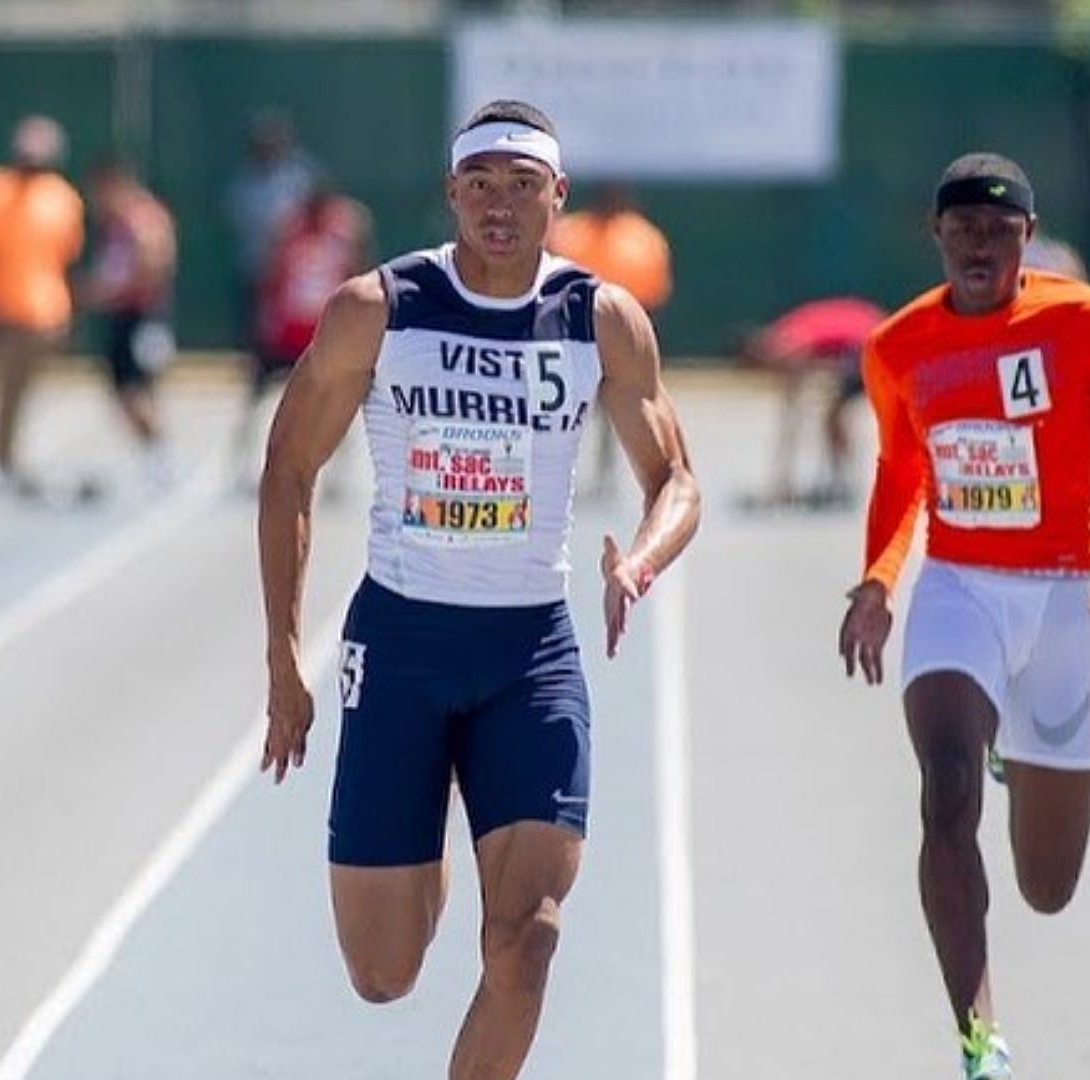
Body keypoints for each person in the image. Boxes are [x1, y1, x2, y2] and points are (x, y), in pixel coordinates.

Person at [257, 100, 699, 1080]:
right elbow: (289, 468)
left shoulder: (600, 318)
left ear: (559, 197)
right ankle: (433, 829)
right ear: (453, 192)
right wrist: (287, 654)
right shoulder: (379, 308)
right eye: (483, 186)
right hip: (401, 645)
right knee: (383, 974)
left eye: (523, 186)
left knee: (527, 941)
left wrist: (641, 560)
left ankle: (487, 843)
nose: (501, 206)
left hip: (528, 656)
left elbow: (676, 478)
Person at [836, 153, 1090, 1080]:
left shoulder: (1085, 320)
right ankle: (979, 1040)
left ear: (1027, 238)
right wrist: (878, 581)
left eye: (999, 231)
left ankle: (1013, 748)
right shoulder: (900, 346)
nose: (979, 246)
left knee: (1047, 888)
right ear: (937, 236)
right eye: (962, 231)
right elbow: (900, 472)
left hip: (1069, 600)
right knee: (945, 795)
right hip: (961, 590)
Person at [0, 115, 86, 499]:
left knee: (30, 392)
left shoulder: (63, 197)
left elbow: (69, 259)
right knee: (4, 393)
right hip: (5, 310)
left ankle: (14, 459)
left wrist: (72, 312)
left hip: (49, 311)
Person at [231, 182, 372, 489]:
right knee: (257, 397)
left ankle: (339, 472)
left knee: (337, 400)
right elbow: (272, 276)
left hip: (321, 332)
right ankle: (241, 463)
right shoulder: (289, 233)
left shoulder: (342, 233)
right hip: (286, 332)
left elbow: (356, 272)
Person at [546, 183, 672, 498]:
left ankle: (606, 474)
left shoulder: (641, 237)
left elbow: (654, 288)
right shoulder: (572, 231)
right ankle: (559, 472)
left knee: (618, 407)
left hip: (620, 334)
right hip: (571, 331)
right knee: (564, 405)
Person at [81, 154, 177, 490]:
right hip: (124, 313)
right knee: (127, 389)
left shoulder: (141, 218)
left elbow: (154, 261)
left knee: (135, 388)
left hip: (141, 314)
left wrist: (111, 289)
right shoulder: (115, 223)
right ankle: (154, 456)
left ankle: (160, 457)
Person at [740, 295, 886, 507]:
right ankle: (841, 479)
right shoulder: (785, 332)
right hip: (871, 330)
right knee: (834, 416)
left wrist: (780, 483)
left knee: (832, 416)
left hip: (871, 342)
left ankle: (840, 481)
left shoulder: (784, 346)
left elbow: (792, 415)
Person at [225, 110, 319, 385]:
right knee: (255, 331)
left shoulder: (299, 176)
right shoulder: (246, 181)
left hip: (294, 275)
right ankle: (257, 369)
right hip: (257, 266)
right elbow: (239, 215)